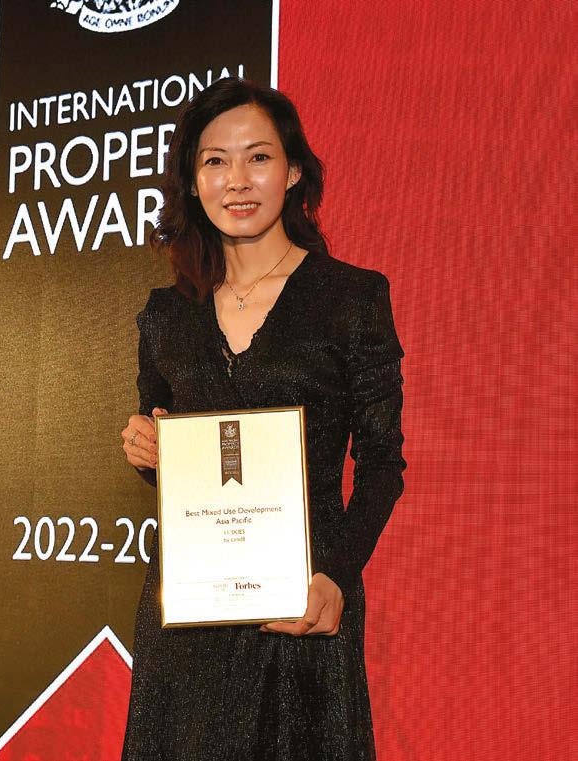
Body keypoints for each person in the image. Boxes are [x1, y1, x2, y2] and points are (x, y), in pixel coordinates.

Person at [120, 75, 406, 761]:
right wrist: (147, 450)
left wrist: (336, 573)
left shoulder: (350, 298)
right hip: (189, 617)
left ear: (294, 171)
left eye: (258, 157)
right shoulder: (166, 314)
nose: (237, 180)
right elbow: (168, 449)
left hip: (302, 603)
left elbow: (381, 463)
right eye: (215, 161)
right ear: (193, 182)